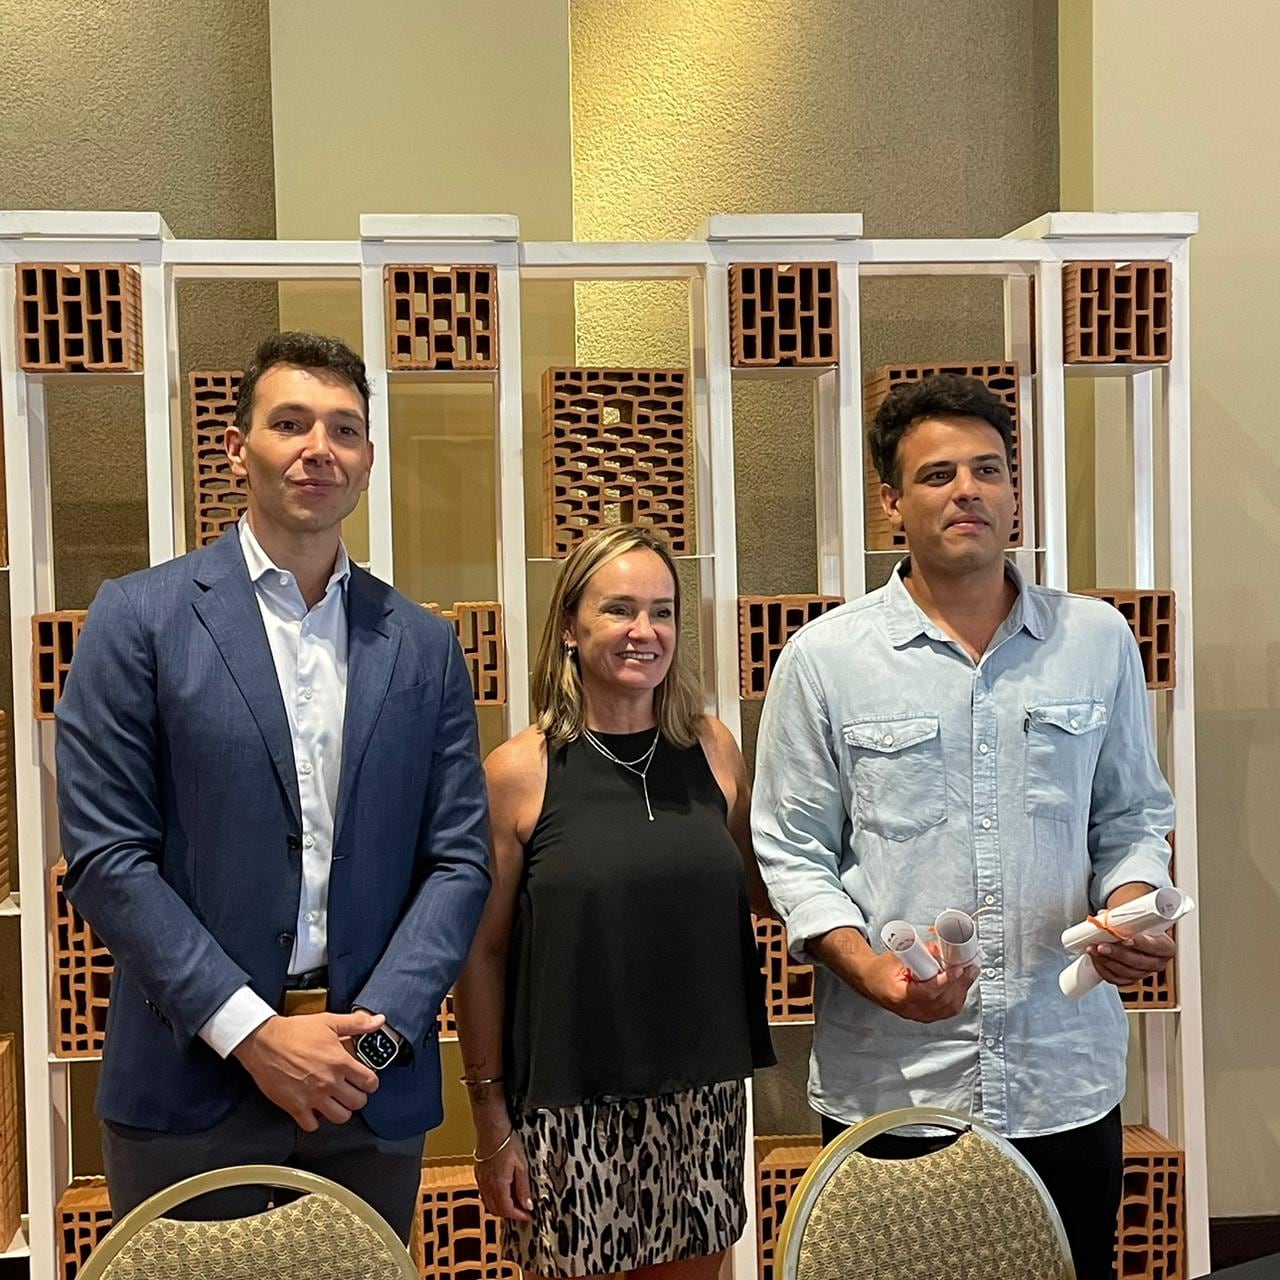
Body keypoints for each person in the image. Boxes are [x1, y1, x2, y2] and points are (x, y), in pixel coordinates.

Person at [55, 331, 490, 1241]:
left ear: (367, 459)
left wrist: (372, 1042)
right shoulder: (138, 619)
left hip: (367, 1089)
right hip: (191, 1083)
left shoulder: (422, 643)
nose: (316, 448)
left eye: (343, 428)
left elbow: (458, 862)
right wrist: (252, 1033)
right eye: (289, 423)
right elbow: (107, 859)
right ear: (237, 447)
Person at [751, 373, 1176, 1280]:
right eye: (938, 474)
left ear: (1015, 490)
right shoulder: (826, 659)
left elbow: (1132, 816)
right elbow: (790, 851)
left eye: (988, 469)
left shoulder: (1096, 640)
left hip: (1059, 1075)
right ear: (891, 502)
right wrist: (872, 971)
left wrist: (1132, 911)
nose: (968, 490)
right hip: (893, 1083)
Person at [455, 523, 775, 1280]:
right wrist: (490, 1120)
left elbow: (767, 888)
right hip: (569, 1113)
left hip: (703, 1102)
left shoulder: (713, 749)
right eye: (619, 610)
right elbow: (481, 953)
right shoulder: (519, 772)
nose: (645, 631)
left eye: (662, 611)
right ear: (569, 624)